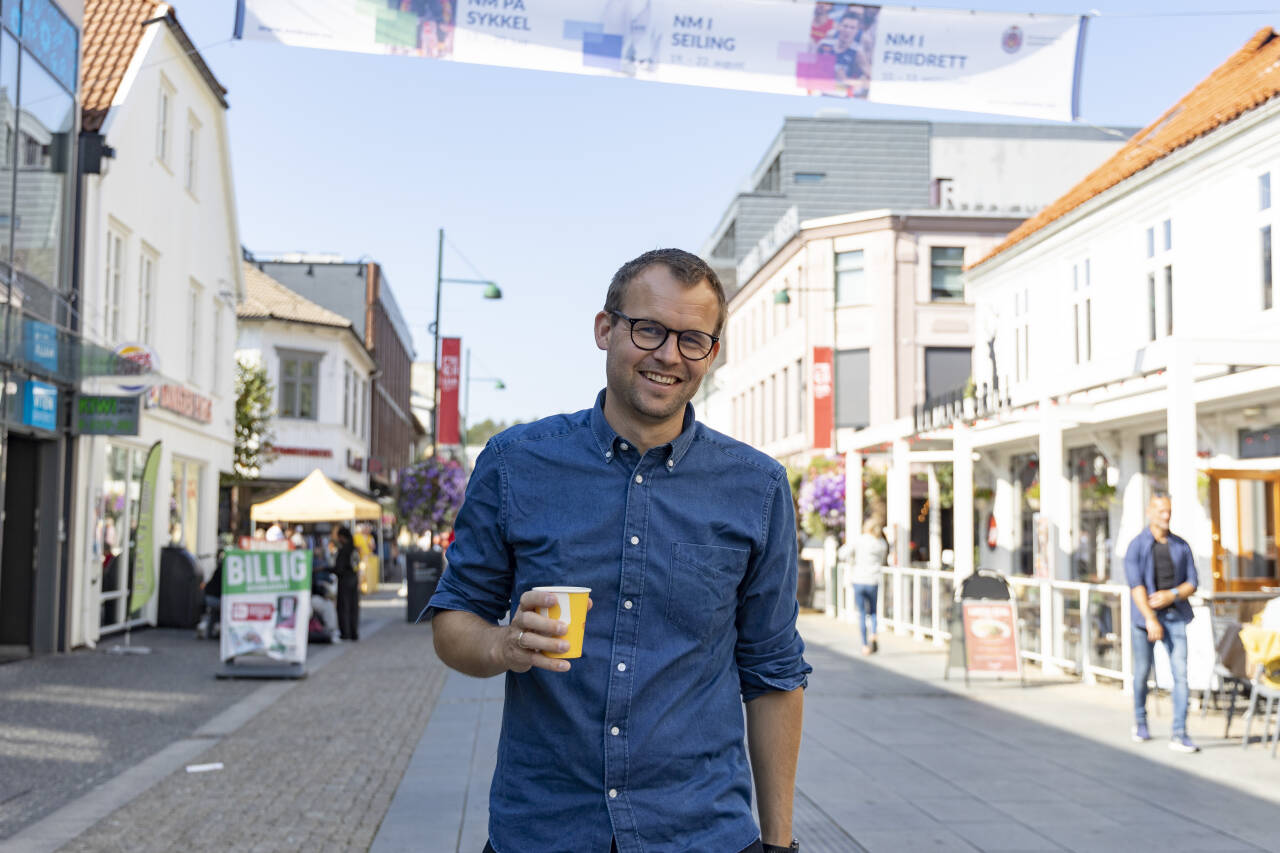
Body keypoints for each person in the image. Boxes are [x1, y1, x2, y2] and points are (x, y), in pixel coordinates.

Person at [429, 248, 810, 853]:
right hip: (545, 827)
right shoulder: (514, 464)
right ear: (605, 329)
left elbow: (773, 673)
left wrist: (780, 844)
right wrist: (503, 644)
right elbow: (454, 621)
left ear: (711, 354)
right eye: (650, 329)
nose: (668, 355)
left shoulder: (756, 487)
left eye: (693, 340)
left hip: (701, 831)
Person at [1125, 494, 1200, 753]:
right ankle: (1140, 721)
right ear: (1150, 512)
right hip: (1144, 619)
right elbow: (1136, 587)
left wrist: (1173, 594)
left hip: (1176, 615)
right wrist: (1150, 618)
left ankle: (1179, 732)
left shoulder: (1181, 546)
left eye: (1168, 511)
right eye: (1160, 511)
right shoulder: (1137, 546)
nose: (1165, 516)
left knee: (1181, 674)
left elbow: (1193, 581)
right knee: (1143, 671)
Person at [841, 518, 887, 656]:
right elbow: (883, 559)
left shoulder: (859, 540)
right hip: (873, 580)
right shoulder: (881, 543)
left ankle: (865, 645)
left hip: (859, 579)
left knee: (862, 613)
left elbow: (843, 553)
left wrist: (852, 560)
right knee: (873, 611)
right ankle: (873, 632)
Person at [332, 525, 361, 641]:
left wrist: (325, 569)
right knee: (353, 607)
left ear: (342, 537)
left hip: (345, 581)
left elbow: (339, 568)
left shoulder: (344, 550)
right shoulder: (354, 548)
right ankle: (353, 632)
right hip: (354, 579)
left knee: (344, 607)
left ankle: (346, 632)